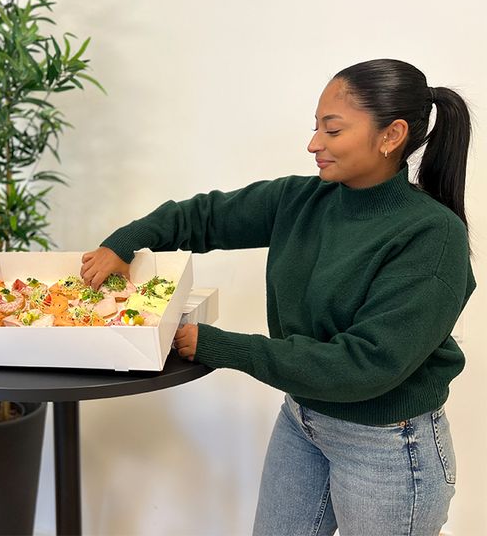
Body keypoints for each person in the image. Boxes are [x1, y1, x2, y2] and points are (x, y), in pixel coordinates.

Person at [81, 59, 474, 536]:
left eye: (332, 130)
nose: (314, 144)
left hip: (388, 444)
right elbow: (205, 216)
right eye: (315, 128)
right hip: (304, 419)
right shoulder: (302, 200)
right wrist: (125, 240)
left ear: (390, 136)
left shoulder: (432, 236)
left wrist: (218, 345)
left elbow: (364, 366)